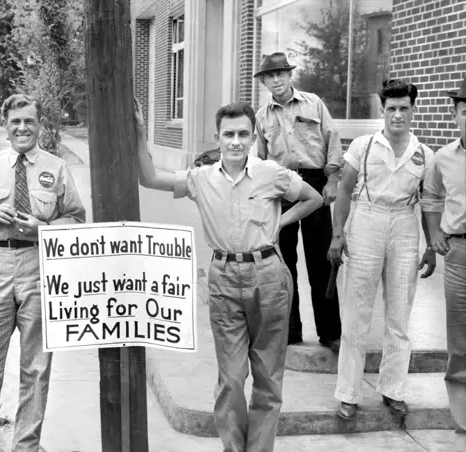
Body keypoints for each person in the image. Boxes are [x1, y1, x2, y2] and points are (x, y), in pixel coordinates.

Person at [134, 99, 323, 452]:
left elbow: (313, 198)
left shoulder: (272, 173)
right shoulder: (200, 179)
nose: (236, 141)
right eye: (228, 134)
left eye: (243, 134)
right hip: (222, 277)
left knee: (268, 377)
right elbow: (148, 178)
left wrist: (278, 223)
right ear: (217, 137)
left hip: (267, 276)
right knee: (232, 378)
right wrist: (140, 133)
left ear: (253, 137)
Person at [0, 93, 86, 452]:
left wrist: (41, 229)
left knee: (36, 368)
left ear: (39, 125)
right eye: (15, 121)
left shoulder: (55, 167)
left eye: (29, 121)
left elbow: (76, 218)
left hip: (39, 266)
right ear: (4, 125)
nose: (22, 127)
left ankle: (25, 448)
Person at [328, 79, 436, 420]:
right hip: (367, 222)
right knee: (357, 313)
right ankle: (348, 392)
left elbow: (430, 202)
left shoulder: (424, 153)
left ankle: (394, 389)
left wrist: (431, 245)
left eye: (404, 108)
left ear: (413, 110)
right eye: (391, 108)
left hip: (404, 225)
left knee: (400, 314)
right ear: (382, 110)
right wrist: (337, 234)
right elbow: (344, 191)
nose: (398, 115)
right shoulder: (362, 146)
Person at [253, 52, 343, 351]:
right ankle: (289, 330)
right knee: (283, 263)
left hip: (315, 184)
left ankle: (330, 331)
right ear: (264, 82)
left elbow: (332, 138)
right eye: (269, 76)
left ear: (290, 75)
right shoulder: (262, 116)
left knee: (321, 260)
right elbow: (261, 159)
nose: (276, 79)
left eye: (281, 73)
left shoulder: (313, 103)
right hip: (281, 188)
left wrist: (332, 179)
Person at [420, 76, 466, 450]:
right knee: (460, 338)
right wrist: (434, 236)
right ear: (455, 115)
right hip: (460, 255)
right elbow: (431, 196)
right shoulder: (443, 158)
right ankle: (464, 419)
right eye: (465, 112)